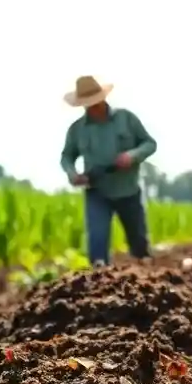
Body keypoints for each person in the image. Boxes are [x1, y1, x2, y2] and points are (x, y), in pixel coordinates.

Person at [60, 75, 158, 266]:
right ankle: (99, 278)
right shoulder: (78, 129)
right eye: (87, 104)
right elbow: (66, 157)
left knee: (139, 244)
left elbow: (149, 144)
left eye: (95, 102)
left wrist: (132, 155)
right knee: (97, 240)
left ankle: (146, 275)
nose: (92, 107)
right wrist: (73, 174)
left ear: (103, 98)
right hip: (97, 192)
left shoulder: (126, 119)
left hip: (128, 191)